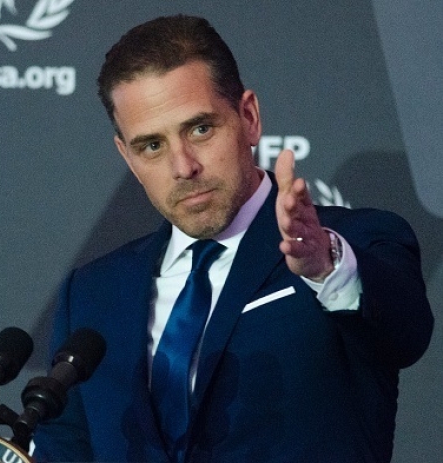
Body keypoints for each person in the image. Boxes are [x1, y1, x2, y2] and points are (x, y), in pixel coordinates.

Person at [32, 14, 434, 463]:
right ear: (126, 155)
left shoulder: (352, 242)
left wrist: (326, 267)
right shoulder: (91, 295)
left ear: (248, 117)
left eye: (200, 129)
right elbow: (63, 450)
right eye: (152, 146)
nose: (183, 166)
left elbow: (407, 334)